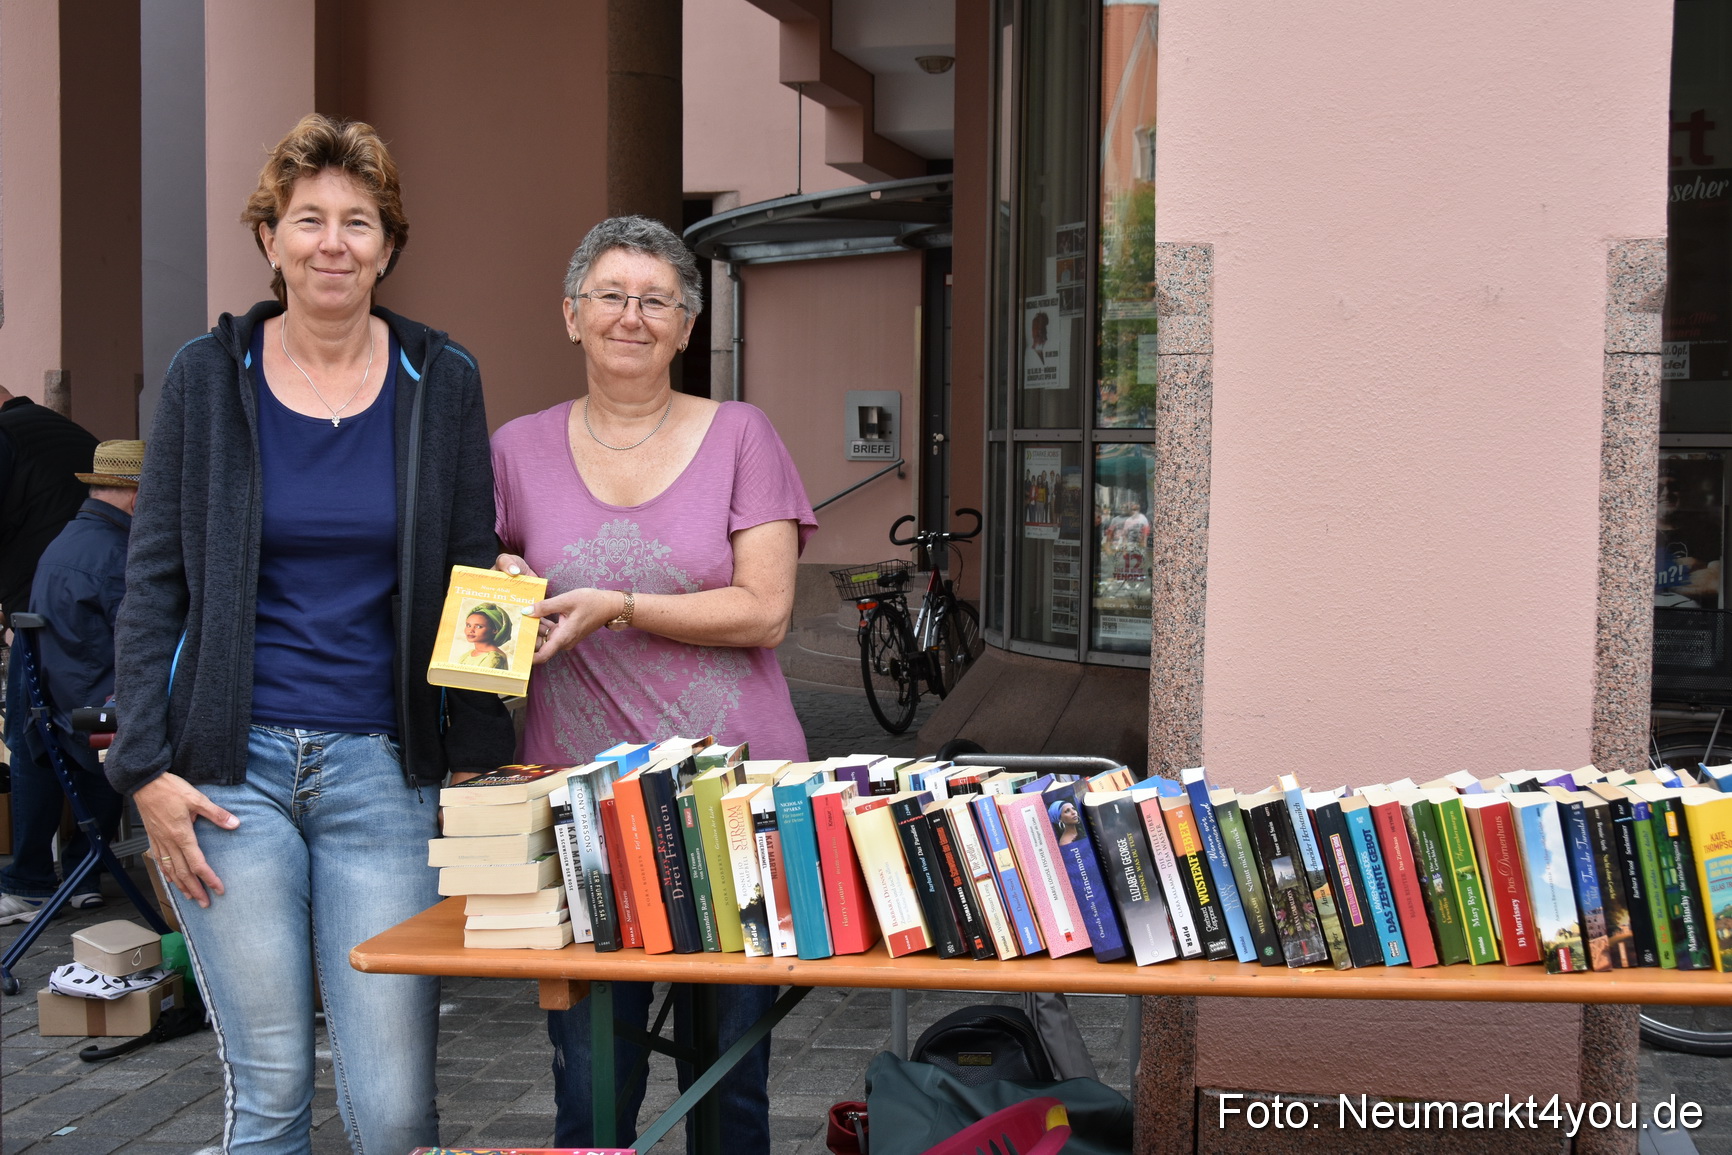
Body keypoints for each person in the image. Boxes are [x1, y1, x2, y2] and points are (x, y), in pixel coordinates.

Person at [107, 114, 513, 1155]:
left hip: (383, 771)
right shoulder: (207, 376)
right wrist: (145, 772)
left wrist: (487, 660)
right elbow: (152, 580)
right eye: (308, 220)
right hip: (226, 780)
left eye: (358, 222)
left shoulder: (443, 380)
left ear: (388, 246)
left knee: (390, 1115)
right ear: (270, 237)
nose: (333, 242)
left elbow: (471, 558)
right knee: (271, 1093)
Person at [491, 215, 816, 1151]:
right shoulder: (515, 448)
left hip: (734, 796)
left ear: (686, 327)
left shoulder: (742, 434)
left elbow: (766, 609)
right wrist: (502, 595)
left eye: (656, 301)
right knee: (591, 1091)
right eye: (610, 295)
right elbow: (480, 617)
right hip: (580, 804)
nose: (630, 316)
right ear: (570, 315)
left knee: (730, 1093)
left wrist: (618, 603)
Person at [0, 441, 141, 924]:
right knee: (127, 725)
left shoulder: (70, 538)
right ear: (137, 498)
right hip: (84, 710)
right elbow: (136, 646)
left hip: (52, 703)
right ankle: (81, 870)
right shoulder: (115, 552)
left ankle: (76, 874)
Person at [0, 383, 98, 855]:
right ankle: (89, 865)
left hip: (39, 614)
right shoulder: (61, 429)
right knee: (97, 728)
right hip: (91, 613)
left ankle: (30, 874)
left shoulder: (7, 436)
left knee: (32, 733)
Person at [458, 603, 512, 669]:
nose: (471, 630)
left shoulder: (494, 658)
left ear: (495, 630)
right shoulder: (466, 655)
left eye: (479, 626)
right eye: (468, 625)